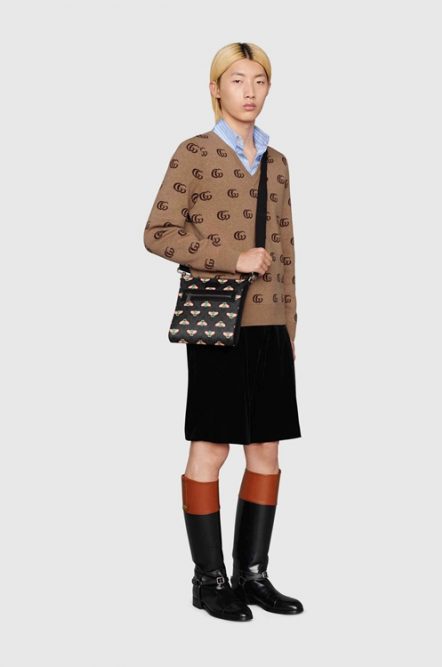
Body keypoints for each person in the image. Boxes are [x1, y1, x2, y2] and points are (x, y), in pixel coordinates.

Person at [143, 42, 304, 621]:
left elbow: (285, 244)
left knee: (265, 449)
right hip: (217, 322)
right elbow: (158, 232)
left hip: (269, 324)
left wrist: (290, 322)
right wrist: (232, 257)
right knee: (211, 445)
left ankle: (251, 574)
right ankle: (208, 580)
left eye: (259, 80)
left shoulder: (277, 162)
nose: (250, 91)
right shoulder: (194, 152)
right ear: (216, 88)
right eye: (237, 80)